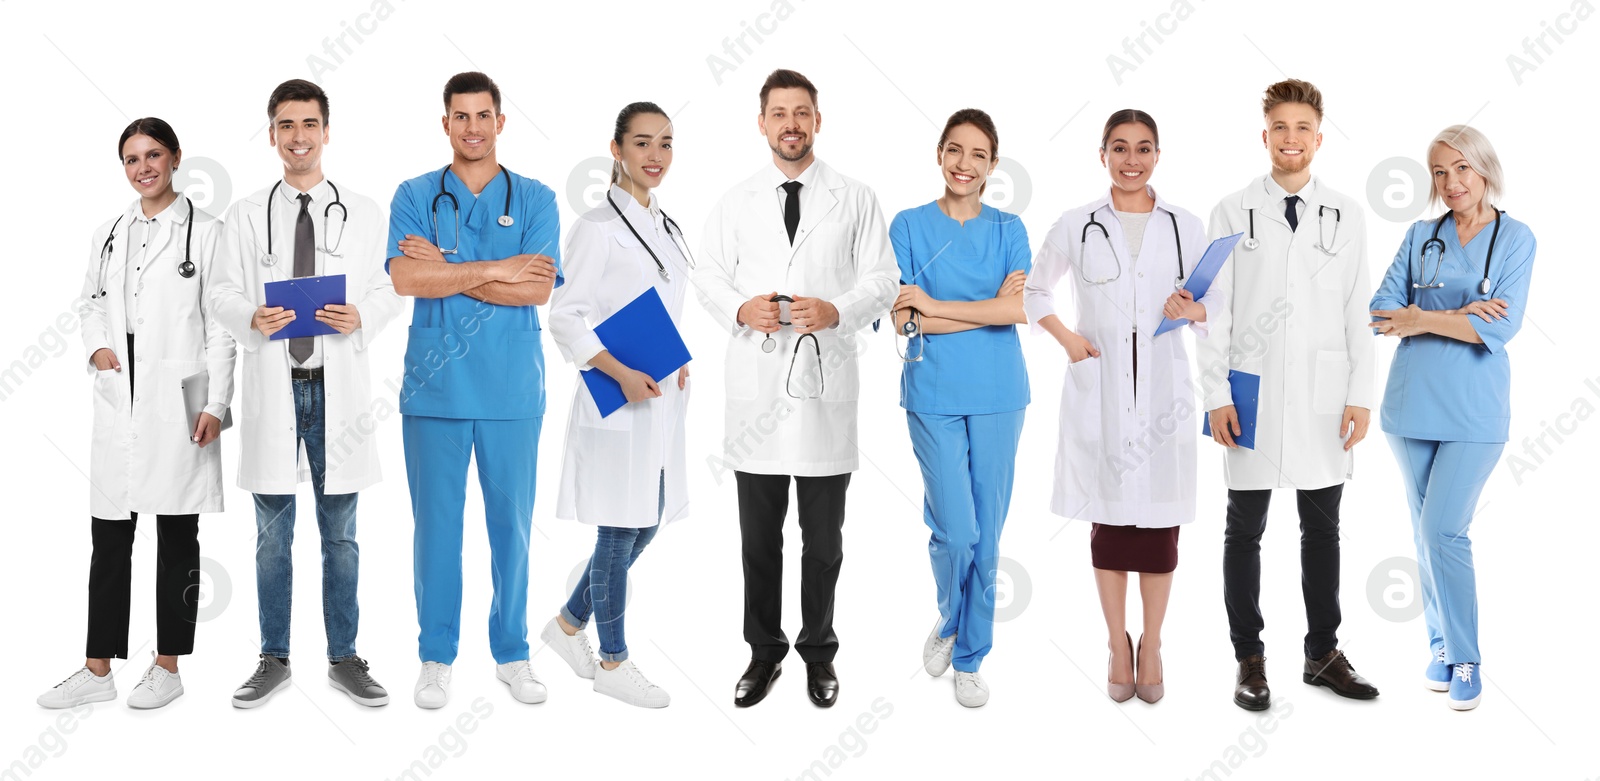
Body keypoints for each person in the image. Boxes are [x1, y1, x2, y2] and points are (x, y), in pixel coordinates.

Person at [695, 68, 898, 709]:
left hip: (822, 387)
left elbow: (884, 278)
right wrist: (738, 309)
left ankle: (818, 652)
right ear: (761, 123)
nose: (791, 124)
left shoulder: (856, 197)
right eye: (779, 113)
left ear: (818, 119)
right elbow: (705, 276)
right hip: (757, 386)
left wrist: (837, 310)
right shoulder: (735, 201)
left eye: (801, 112)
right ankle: (763, 653)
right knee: (759, 540)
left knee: (824, 541)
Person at [210, 79, 403, 709]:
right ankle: (274, 656)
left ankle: (344, 657)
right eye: (286, 126)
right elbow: (220, 293)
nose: (299, 137)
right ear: (272, 135)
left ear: (326, 131)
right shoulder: (243, 214)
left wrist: (361, 318)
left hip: (335, 386)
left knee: (341, 532)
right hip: (275, 384)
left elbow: (387, 288)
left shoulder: (365, 211)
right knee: (271, 535)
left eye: (309, 124)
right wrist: (250, 318)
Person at [39, 117, 235, 710]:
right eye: (131, 159)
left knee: (178, 532)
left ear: (176, 158)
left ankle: (168, 666)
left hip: (178, 398)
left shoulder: (209, 232)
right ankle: (98, 668)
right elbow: (91, 299)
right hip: (120, 394)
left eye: (153, 155)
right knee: (110, 536)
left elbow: (222, 323)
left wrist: (218, 403)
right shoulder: (109, 231)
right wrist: (97, 347)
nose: (143, 167)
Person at [1022, 109, 1216, 706]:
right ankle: (1115, 642)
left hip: (1164, 390)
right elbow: (1034, 290)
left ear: (1159, 154)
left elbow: (1218, 307)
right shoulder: (1076, 223)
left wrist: (1196, 313)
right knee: (1108, 529)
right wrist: (1069, 340)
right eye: (1120, 148)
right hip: (1101, 389)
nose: (1132, 159)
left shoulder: (1186, 225)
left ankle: (1152, 645)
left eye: (1144, 148)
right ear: (1101, 153)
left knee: (1159, 531)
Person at [1199, 79, 1380, 711]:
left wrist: (1360, 395)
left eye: (1303, 128)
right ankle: (1249, 658)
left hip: (1324, 393)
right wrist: (1215, 393)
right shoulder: (1230, 211)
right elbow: (1211, 312)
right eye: (1281, 128)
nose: (1292, 139)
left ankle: (1322, 651)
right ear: (1265, 135)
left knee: (1322, 529)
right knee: (1243, 529)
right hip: (1247, 390)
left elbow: (1359, 310)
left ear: (1319, 137)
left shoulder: (1348, 214)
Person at [387, 71, 563, 709]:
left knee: (510, 529)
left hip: (512, 389)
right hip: (434, 389)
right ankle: (436, 656)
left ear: (500, 122)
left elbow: (538, 289)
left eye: (483, 115)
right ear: (445, 124)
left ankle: (512, 654)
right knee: (435, 529)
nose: (472, 127)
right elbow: (407, 280)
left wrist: (447, 269)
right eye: (460, 117)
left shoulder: (537, 199)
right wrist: (493, 268)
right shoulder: (413, 194)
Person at [1369, 126, 1534, 711]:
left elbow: (1500, 327)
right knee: (1424, 534)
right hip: (1410, 407)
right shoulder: (1420, 235)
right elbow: (1381, 313)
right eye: (1440, 172)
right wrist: (1457, 312)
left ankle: (1466, 657)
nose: (1451, 183)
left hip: (1473, 411)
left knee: (1444, 531)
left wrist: (1426, 317)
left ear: (1485, 168)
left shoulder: (1515, 238)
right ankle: (1438, 646)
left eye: (1461, 168)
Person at [540, 102, 692, 709]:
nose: (656, 156)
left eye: (666, 144)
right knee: (618, 525)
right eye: (643, 143)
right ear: (617, 149)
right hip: (617, 396)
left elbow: (665, 307)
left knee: (646, 518)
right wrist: (621, 372)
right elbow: (566, 316)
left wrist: (679, 360)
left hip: (659, 397)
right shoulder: (596, 226)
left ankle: (568, 625)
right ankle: (613, 660)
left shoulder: (669, 227)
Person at [891, 108, 1029, 708]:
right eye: (954, 150)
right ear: (939, 154)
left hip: (1001, 392)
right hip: (933, 390)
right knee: (957, 530)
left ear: (993, 164)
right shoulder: (908, 225)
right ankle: (950, 616)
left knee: (989, 534)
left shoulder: (1010, 229)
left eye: (977, 155)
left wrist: (939, 308)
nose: (964, 164)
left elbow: (1017, 311)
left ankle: (971, 657)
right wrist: (978, 308)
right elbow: (903, 317)